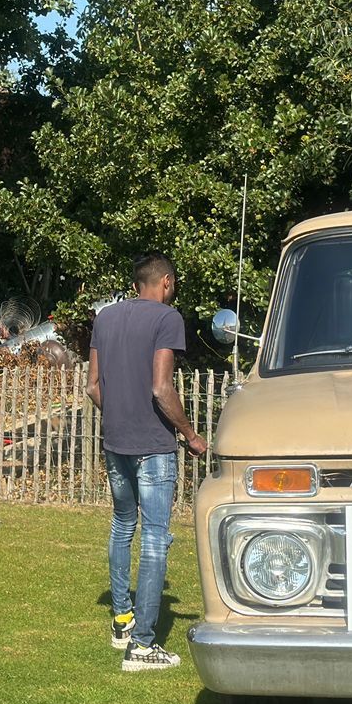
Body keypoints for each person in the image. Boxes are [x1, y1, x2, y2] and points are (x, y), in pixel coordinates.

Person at [87, 252, 207, 671]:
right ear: (166, 282)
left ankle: (122, 621)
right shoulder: (167, 318)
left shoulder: (104, 318)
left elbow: (92, 387)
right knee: (155, 538)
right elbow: (161, 388)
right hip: (154, 447)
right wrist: (190, 435)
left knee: (123, 525)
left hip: (115, 443)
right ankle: (141, 646)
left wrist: (119, 416)